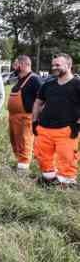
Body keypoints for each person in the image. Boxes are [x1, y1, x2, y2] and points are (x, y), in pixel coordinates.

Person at [32, 54, 80, 185]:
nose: (54, 67)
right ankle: (48, 182)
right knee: (43, 159)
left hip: (66, 130)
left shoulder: (77, 84)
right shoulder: (48, 84)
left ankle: (66, 186)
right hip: (44, 129)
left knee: (67, 160)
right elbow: (38, 102)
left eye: (57, 65)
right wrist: (34, 121)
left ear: (68, 66)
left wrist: (78, 125)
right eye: (53, 65)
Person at [7, 55, 42, 172]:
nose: (13, 67)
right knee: (16, 143)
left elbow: (42, 100)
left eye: (15, 64)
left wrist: (36, 118)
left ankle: (23, 171)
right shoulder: (20, 79)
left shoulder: (34, 79)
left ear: (23, 65)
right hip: (14, 118)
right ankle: (19, 164)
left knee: (25, 143)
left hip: (25, 118)